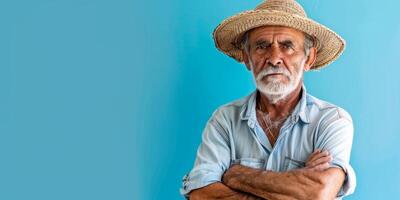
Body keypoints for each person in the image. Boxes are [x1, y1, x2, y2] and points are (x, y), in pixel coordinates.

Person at [181, 0, 356, 199]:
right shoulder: (225, 119)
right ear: (247, 57)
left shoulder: (331, 120)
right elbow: (202, 195)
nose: (274, 58)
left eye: (287, 46)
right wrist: (294, 187)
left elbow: (318, 192)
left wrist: (238, 175)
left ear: (309, 58)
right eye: (262, 46)